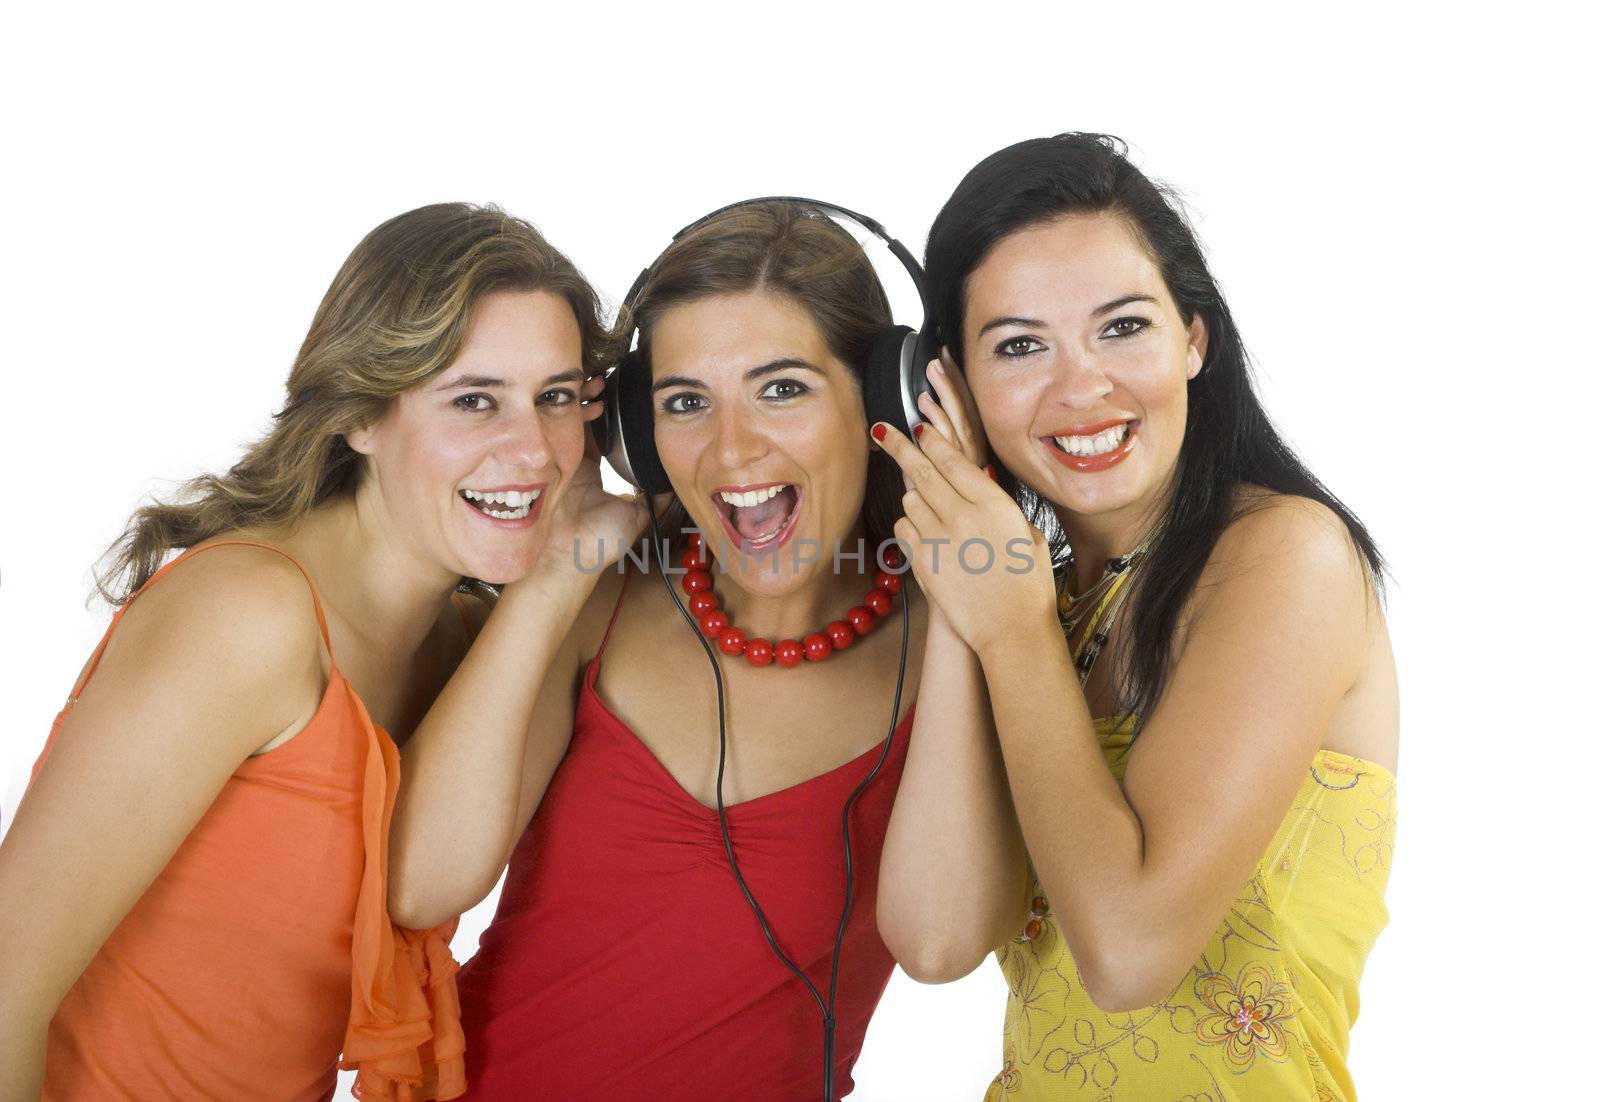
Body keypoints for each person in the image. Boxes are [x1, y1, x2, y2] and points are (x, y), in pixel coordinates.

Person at [0, 202, 617, 1101]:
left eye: (556, 398)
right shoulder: (248, 619)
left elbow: (431, 883)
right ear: (361, 415)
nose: (532, 450)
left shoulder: (476, 649)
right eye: (474, 399)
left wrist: (563, 571)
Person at [874, 134, 1398, 1101]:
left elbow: (1127, 952)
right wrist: (964, 586)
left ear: (1194, 338)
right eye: (1020, 345)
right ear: (945, 386)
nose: (1082, 387)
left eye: (1122, 328)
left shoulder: (1287, 557)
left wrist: (1011, 629)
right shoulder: (1032, 597)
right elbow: (937, 938)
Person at [388, 200, 927, 1100]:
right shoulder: (597, 602)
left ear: (884, 403)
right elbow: (421, 884)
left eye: (783, 387)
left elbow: (944, 943)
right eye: (684, 403)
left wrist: (967, 601)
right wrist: (557, 574)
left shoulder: (954, 642)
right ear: (637, 433)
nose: (732, 447)